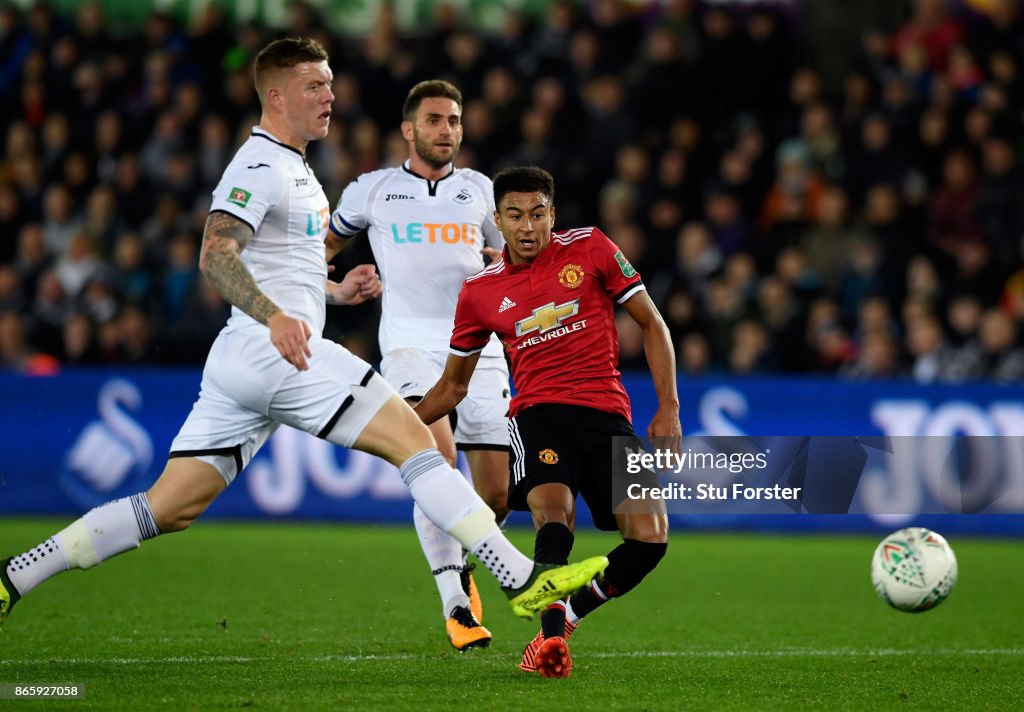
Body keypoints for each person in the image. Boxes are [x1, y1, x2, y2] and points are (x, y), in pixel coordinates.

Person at [0, 40, 607, 634]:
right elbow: (216, 255)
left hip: (247, 358)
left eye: (331, 84)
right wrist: (276, 316)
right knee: (415, 441)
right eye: (315, 85)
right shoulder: (259, 165)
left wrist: (331, 294)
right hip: (273, 351)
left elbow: (283, 266)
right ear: (276, 94)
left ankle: (15, 576)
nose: (330, 96)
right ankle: (521, 579)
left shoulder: (297, 167)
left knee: (168, 508)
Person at [415, 166, 680, 678]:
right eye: (515, 215)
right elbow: (452, 387)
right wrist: (390, 423)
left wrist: (668, 406)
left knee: (650, 539)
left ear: (553, 215)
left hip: (607, 414)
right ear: (497, 221)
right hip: (539, 415)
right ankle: (553, 643)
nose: (527, 226)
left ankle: (566, 619)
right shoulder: (480, 293)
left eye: (538, 214)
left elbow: (652, 322)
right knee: (554, 515)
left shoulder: (592, 248)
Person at [326, 79, 512, 652]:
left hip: (480, 350)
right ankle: (454, 601)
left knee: (497, 498)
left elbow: (519, 259)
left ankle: (468, 565)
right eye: (434, 120)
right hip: (409, 348)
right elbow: (317, 249)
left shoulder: (481, 191)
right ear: (409, 129)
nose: (446, 130)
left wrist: (504, 260)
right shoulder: (373, 190)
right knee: (435, 458)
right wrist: (336, 288)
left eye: (454, 120)